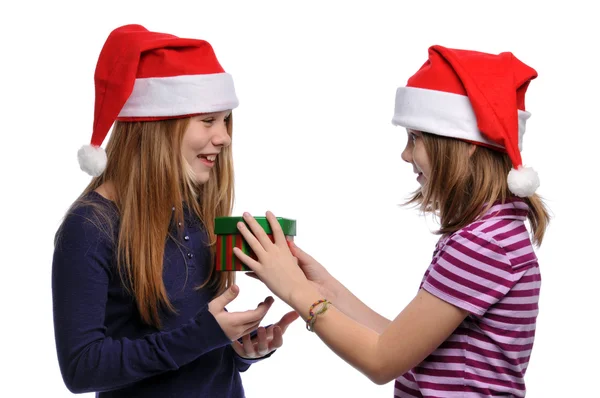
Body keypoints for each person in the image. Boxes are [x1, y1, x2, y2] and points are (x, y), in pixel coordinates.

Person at [232, 45, 550, 397]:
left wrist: (295, 290)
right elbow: (400, 345)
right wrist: (325, 289)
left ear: (464, 144)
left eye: (415, 138)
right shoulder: (491, 231)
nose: (405, 154)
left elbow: (382, 361)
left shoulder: (483, 243)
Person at [51, 24, 298, 398]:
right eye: (208, 120)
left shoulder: (194, 211)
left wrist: (239, 351)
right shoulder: (91, 226)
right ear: (159, 126)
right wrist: (204, 335)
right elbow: (82, 368)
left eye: (225, 120)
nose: (225, 137)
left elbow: (192, 347)